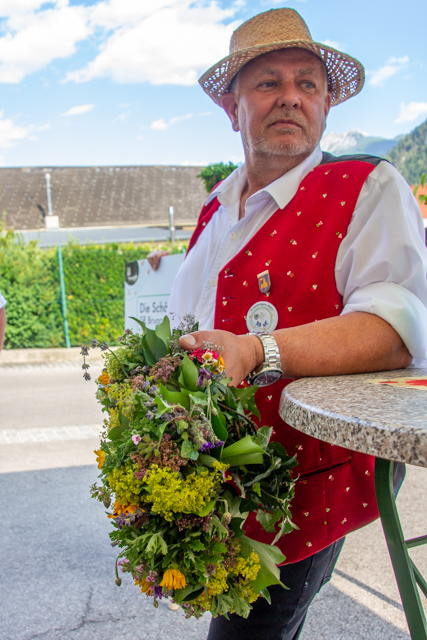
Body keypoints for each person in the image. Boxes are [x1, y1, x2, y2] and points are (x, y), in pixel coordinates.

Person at [149, 8, 427, 639]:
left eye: (308, 83)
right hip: (216, 482)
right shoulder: (214, 209)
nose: (291, 97)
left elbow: (392, 331)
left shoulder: (368, 186)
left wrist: (255, 350)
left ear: (327, 103)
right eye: (268, 82)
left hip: (302, 487)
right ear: (233, 108)